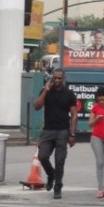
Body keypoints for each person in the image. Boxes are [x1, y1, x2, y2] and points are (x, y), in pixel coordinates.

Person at [33, 68, 78, 199]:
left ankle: (58, 186)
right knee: (42, 156)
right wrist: (45, 91)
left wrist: (72, 134)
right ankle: (51, 174)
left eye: (59, 78)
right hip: (48, 130)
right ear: (52, 77)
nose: (57, 80)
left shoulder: (69, 94)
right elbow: (37, 106)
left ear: (63, 78)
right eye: (55, 78)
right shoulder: (46, 90)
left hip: (62, 131)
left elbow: (74, 114)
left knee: (60, 160)